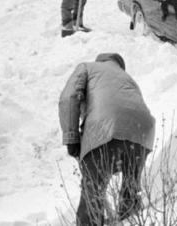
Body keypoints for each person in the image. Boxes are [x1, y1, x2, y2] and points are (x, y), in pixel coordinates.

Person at [59, 53, 156, 226]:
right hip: (143, 133)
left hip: (105, 127)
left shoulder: (87, 67)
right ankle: (130, 218)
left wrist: (72, 137)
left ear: (101, 60)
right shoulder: (127, 78)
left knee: (92, 196)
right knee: (130, 195)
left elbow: (69, 97)